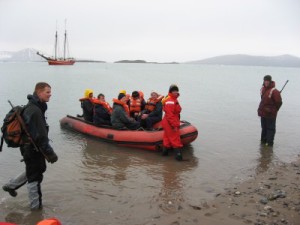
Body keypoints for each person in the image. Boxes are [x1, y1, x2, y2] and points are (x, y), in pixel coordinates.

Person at [2, 82, 58, 210]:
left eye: (50, 91)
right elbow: (40, 136)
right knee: (35, 177)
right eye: (47, 92)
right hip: (32, 148)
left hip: (29, 147)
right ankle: (36, 210)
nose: (50, 94)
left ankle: (11, 185)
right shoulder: (35, 110)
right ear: (39, 92)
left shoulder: (35, 107)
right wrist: (50, 154)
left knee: (35, 169)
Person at [257, 75, 282, 147]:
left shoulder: (275, 91)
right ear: (263, 81)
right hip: (263, 113)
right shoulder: (262, 89)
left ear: (270, 81)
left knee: (270, 129)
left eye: (267, 81)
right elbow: (263, 100)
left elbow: (279, 102)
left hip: (271, 114)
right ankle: (263, 143)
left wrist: (273, 110)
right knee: (264, 128)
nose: (266, 82)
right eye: (265, 81)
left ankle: (269, 144)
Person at [161, 84, 183, 161]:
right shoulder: (170, 101)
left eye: (176, 91)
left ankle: (164, 155)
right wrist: (174, 125)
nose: (176, 92)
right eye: (174, 91)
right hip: (170, 122)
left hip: (167, 121)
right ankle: (179, 157)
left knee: (166, 138)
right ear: (171, 92)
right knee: (175, 139)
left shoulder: (173, 99)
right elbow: (170, 115)